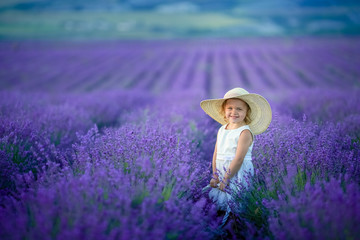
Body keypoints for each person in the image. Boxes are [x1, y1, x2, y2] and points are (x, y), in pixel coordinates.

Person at [200, 87, 272, 224]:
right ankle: (221, 225)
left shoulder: (244, 132)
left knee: (236, 202)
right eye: (230, 108)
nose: (234, 112)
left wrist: (226, 178)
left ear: (247, 112)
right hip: (222, 170)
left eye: (239, 109)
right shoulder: (222, 129)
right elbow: (216, 153)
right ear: (224, 110)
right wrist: (215, 175)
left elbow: (238, 159)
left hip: (237, 172)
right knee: (221, 200)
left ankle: (236, 227)